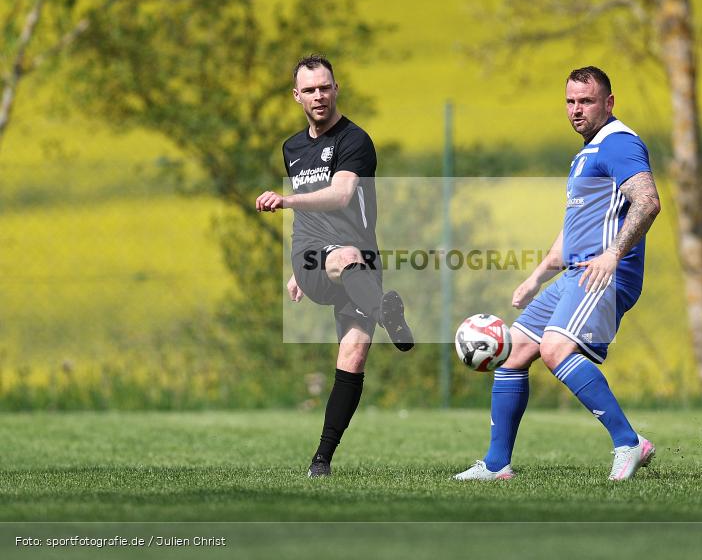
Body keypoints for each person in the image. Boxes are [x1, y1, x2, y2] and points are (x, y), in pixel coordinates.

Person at [454, 66, 661, 482]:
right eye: (570, 101)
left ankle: (628, 442)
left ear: (609, 103)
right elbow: (573, 232)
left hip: (601, 275)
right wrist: (536, 278)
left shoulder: (618, 144)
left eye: (586, 101)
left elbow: (648, 202)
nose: (576, 110)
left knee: (555, 350)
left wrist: (612, 255)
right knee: (512, 354)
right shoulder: (585, 154)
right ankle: (497, 465)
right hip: (573, 274)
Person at [256, 54, 414, 478]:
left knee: (354, 354)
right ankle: (386, 311)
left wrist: (287, 200)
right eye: (309, 90)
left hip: (360, 262)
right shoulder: (292, 148)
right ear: (297, 96)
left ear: (336, 88)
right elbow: (312, 218)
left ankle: (321, 460)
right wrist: (300, 268)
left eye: (325, 87)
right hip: (316, 255)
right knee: (340, 256)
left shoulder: (355, 141)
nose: (318, 96)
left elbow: (342, 196)